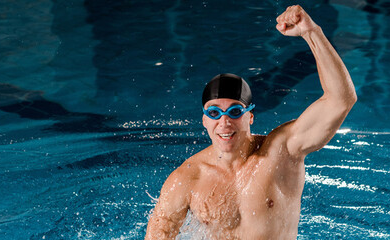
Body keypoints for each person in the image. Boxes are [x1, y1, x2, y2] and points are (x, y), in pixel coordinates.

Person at [145, 5, 356, 239]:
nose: (224, 122)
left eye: (235, 111)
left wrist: (311, 32)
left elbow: (341, 99)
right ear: (204, 120)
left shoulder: (282, 152)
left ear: (250, 116)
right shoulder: (186, 179)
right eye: (214, 113)